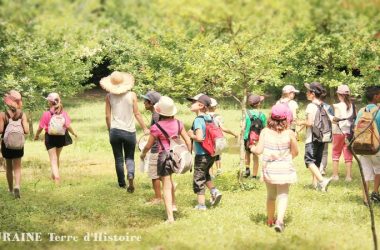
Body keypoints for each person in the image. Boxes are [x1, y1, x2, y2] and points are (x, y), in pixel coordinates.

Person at [140, 96, 191, 222]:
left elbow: (149, 145)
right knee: (170, 181)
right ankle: (173, 205)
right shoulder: (179, 123)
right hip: (177, 156)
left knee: (166, 186)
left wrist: (143, 154)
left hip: (164, 157)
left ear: (159, 111)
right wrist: (188, 154)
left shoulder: (156, 127)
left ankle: (170, 217)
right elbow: (188, 140)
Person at [251, 103, 298, 233]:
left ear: (271, 117)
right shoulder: (289, 133)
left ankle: (270, 219)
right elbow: (295, 153)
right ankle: (280, 221)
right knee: (283, 195)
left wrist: (252, 147)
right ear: (286, 119)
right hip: (284, 169)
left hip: (270, 169)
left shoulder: (265, 132)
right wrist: (285, 158)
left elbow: (259, 150)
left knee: (271, 196)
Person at [101, 71, 149, 192]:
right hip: (129, 131)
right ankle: (131, 174)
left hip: (115, 131)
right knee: (130, 157)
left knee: (118, 158)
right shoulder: (132, 95)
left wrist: (109, 128)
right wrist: (144, 128)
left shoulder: (109, 96)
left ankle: (122, 183)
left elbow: (107, 116)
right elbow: (137, 113)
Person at [187, 93, 222, 210]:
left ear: (201, 105)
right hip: (211, 153)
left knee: (198, 178)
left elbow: (200, 137)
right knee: (205, 174)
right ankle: (214, 191)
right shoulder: (209, 117)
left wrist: (191, 134)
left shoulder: (198, 119)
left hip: (201, 154)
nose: (191, 104)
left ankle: (201, 205)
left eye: (193, 102)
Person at [34, 92, 77, 185]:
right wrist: (73, 133)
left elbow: (40, 127)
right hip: (61, 137)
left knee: (53, 159)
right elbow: (68, 126)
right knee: (57, 157)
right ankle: (54, 176)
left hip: (50, 138)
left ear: (49, 102)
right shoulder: (63, 113)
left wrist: (36, 135)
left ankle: (57, 179)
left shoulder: (46, 114)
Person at [297, 82, 332, 191]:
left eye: (308, 91)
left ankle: (322, 181)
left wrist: (300, 122)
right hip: (322, 138)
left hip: (312, 138)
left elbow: (310, 122)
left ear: (312, 93)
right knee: (316, 161)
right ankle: (316, 185)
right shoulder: (323, 105)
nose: (306, 93)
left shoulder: (311, 106)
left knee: (309, 161)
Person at [0, 90, 29, 198]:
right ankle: (17, 185)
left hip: (6, 144)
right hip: (18, 144)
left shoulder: (3, 114)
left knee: (8, 167)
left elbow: (0, 130)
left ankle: (11, 189)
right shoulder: (22, 114)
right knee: (17, 166)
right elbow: (26, 131)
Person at [354, 86, 380, 205]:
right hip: (377, 147)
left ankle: (365, 198)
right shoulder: (379, 111)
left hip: (362, 146)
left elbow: (356, 128)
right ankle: (375, 193)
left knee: (365, 172)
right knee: (378, 170)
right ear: (376, 96)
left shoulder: (361, 111)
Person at [141, 90, 162, 204]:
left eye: (145, 101)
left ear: (151, 103)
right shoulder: (158, 114)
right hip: (161, 147)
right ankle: (171, 186)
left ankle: (158, 198)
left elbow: (157, 134)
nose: (143, 103)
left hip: (156, 148)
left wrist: (145, 151)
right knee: (161, 173)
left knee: (154, 174)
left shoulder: (156, 115)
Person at [208, 98, 238, 177]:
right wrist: (234, 134)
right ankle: (219, 170)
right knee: (218, 154)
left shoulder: (204, 116)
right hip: (217, 138)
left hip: (208, 139)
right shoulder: (218, 116)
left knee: (209, 156)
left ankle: (211, 174)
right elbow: (223, 128)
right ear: (215, 107)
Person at [331, 84, 355, 181]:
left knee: (336, 153)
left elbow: (335, 121)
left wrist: (331, 119)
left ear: (339, 95)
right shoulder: (352, 105)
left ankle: (335, 175)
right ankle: (348, 176)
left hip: (338, 132)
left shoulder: (337, 106)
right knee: (348, 153)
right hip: (349, 132)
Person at [244, 94, 267, 179]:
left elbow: (242, 126)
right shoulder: (262, 115)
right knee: (255, 157)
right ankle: (254, 175)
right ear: (258, 104)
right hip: (258, 139)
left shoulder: (246, 113)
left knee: (247, 154)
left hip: (247, 138)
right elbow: (264, 128)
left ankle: (247, 169)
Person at [320, 94, 335, 176]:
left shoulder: (314, 106)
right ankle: (322, 169)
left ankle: (317, 167)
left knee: (317, 150)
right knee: (324, 152)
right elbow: (333, 119)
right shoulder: (328, 107)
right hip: (326, 131)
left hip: (316, 132)